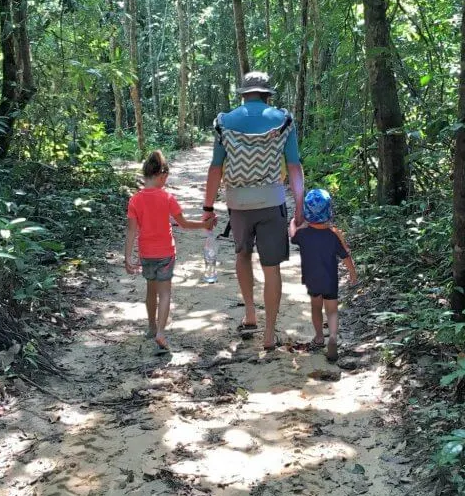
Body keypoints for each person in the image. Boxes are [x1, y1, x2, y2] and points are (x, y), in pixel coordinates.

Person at [202, 71, 304, 352]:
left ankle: (250, 313)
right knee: (271, 268)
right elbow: (294, 166)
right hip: (271, 202)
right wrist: (299, 205)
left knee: (242, 254)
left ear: (243, 94)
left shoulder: (225, 122)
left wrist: (208, 207)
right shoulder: (283, 120)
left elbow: (215, 168)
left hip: (238, 203)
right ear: (267, 93)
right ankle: (269, 335)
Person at [125, 150, 208, 354]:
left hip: (146, 253)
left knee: (150, 291)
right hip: (166, 254)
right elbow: (185, 223)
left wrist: (127, 257)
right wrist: (205, 224)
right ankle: (161, 332)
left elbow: (131, 231)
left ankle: (152, 327)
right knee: (165, 293)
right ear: (162, 175)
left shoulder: (135, 200)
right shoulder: (167, 198)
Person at [289, 188, 358, 364]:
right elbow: (346, 256)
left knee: (316, 308)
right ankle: (333, 338)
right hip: (330, 279)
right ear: (329, 212)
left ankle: (319, 337)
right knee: (332, 311)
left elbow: (292, 235)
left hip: (312, 279)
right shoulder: (334, 234)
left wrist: (292, 222)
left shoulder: (303, 234)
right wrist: (353, 274)